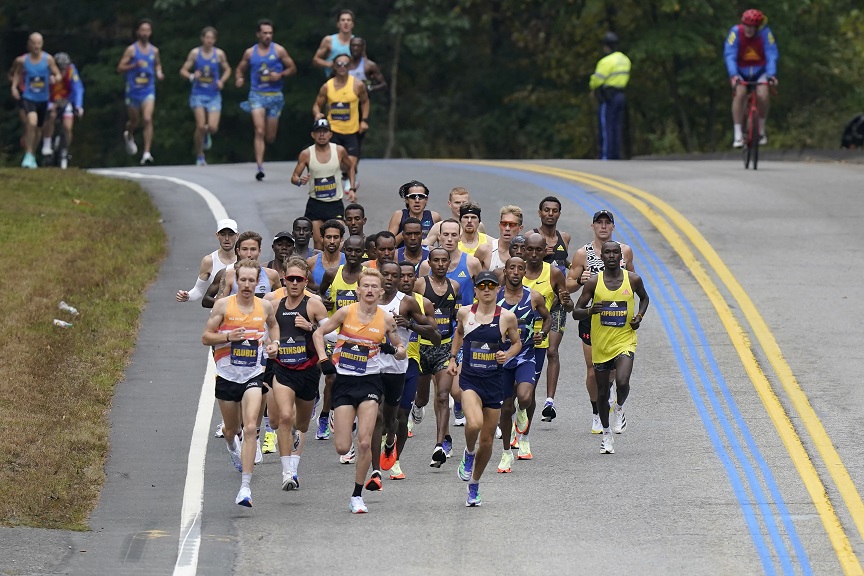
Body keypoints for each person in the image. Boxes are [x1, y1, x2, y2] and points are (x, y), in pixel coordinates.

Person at [312, 268, 406, 513]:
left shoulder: (385, 319)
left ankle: (357, 495)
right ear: (358, 290)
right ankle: (337, 417)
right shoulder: (346, 312)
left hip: (371, 382)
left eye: (375, 287)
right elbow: (319, 333)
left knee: (364, 443)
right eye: (366, 286)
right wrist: (323, 359)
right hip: (344, 380)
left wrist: (397, 350)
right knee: (343, 447)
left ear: (381, 291)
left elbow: (399, 346)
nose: (371, 290)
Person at [202, 258, 279, 507]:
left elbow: (273, 326)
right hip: (226, 376)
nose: (246, 284)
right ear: (236, 280)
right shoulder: (224, 306)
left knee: (249, 428)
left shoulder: (264, 307)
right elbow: (205, 337)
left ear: (258, 282)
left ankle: (245, 488)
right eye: (242, 279)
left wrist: (274, 343)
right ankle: (230, 444)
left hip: (253, 375)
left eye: (251, 280)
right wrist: (227, 336)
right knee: (231, 429)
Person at [448, 271, 521, 506]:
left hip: (494, 383)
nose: (487, 290)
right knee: (475, 423)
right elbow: (459, 334)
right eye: (482, 286)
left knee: (488, 441)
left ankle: (475, 485)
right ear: (476, 290)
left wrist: (507, 354)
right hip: (470, 380)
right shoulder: (465, 313)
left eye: (491, 285)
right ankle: (468, 453)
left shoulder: (507, 317)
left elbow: (517, 343)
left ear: (498, 289)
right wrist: (452, 359)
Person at [571, 241, 649, 454]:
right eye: (608, 253)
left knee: (623, 381)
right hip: (601, 344)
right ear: (602, 257)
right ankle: (606, 435)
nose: (612, 256)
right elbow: (576, 312)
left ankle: (620, 407)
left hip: (625, 339)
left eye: (616, 252)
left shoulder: (632, 279)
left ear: (621, 257)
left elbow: (645, 298)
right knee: (602, 393)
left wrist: (639, 316)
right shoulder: (594, 283)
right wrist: (590, 311)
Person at [366, 261, 437, 490]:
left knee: (398, 419)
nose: (389, 279)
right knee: (376, 418)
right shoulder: (369, 300)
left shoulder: (406, 303)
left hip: (401, 369)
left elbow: (435, 335)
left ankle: (393, 455)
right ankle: (376, 470)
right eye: (384, 274)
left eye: (393, 275)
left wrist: (411, 324)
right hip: (374, 368)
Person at [566, 209, 636, 433]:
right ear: (593, 226)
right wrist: (579, 279)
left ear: (613, 227)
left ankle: (613, 402)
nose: (603, 226)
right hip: (592, 317)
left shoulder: (624, 251)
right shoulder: (582, 254)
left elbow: (634, 282)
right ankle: (596, 412)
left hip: (617, 318)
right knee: (592, 370)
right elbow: (567, 285)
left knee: (615, 368)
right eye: (599, 223)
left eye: (608, 223)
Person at [269, 257, 330, 491]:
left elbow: (332, 334)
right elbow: (264, 333)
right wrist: (271, 345)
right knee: (284, 417)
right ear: (283, 279)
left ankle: (295, 441)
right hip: (282, 368)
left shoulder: (314, 305)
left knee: (302, 425)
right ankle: (288, 472)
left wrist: (312, 328)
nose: (294, 283)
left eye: (299, 279)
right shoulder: (274, 306)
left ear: (306, 281)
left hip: (308, 370)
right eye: (290, 279)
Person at [517, 233, 571, 458]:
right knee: (508, 394)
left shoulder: (554, 273)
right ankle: (512, 429)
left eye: (539, 250)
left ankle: (524, 437)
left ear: (545, 251)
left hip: (537, 341)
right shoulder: (515, 271)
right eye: (529, 249)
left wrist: (567, 302)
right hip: (511, 340)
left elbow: (567, 307)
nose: (533, 254)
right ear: (524, 250)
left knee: (527, 394)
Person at [495, 257, 549, 473]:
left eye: (520, 268)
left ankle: (523, 416)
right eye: (512, 268)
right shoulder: (495, 296)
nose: (516, 272)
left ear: (525, 271)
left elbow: (548, 318)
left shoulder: (533, 296)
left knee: (525, 397)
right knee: (505, 407)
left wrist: (542, 333)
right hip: (501, 359)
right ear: (505, 272)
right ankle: (506, 452)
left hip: (526, 354)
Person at [316, 235, 366, 444]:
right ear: (345, 251)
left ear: (363, 253)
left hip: (361, 336)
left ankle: (349, 417)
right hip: (336, 336)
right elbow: (320, 295)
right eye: (350, 251)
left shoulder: (368, 277)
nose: (353, 255)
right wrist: (325, 303)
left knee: (356, 379)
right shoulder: (332, 274)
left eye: (357, 251)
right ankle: (326, 415)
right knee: (332, 378)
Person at [414, 247, 461, 467]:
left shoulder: (455, 287)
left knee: (443, 396)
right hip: (421, 348)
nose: (441, 264)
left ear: (449, 262)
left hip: (444, 348)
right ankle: (416, 406)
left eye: (444, 261)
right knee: (422, 398)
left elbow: (456, 319)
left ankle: (439, 446)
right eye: (436, 261)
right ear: (429, 263)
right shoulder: (420, 285)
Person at [392, 261, 439, 478]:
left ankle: (395, 460)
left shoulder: (422, 303)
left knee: (402, 415)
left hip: (411, 362)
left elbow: (435, 336)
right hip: (382, 364)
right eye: (402, 276)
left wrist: (410, 325)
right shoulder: (381, 299)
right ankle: (382, 448)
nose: (406, 280)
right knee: (384, 417)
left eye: (411, 276)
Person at [235, 19, 297, 181]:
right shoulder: (250, 53)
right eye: (265, 33)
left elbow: (292, 68)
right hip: (256, 95)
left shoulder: (279, 51)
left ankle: (263, 153)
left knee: (270, 136)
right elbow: (240, 69)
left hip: (275, 96)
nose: (268, 36)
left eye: (270, 33)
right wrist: (239, 79)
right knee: (259, 130)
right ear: (258, 34)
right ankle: (260, 167)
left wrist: (281, 75)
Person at [532, 197, 572, 421]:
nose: (550, 214)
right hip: (535, 304)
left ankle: (550, 402)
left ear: (559, 214)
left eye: (554, 211)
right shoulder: (533, 236)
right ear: (539, 213)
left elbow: (565, 266)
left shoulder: (564, 238)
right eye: (546, 210)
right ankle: (528, 394)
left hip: (556, 305)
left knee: (552, 351)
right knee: (533, 351)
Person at [291, 118, 355, 249]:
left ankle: (337, 268)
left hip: (335, 203)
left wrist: (352, 188)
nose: (321, 135)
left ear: (330, 134)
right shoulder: (306, 154)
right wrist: (299, 181)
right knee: (318, 243)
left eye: (324, 131)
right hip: (316, 204)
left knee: (337, 242)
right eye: (318, 131)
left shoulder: (339, 150)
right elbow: (294, 177)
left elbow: (351, 166)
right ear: (313, 134)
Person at [313, 53, 369, 193]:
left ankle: (351, 181)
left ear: (350, 66)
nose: (342, 67)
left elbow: (365, 102)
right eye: (339, 64)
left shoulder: (357, 84)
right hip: (333, 130)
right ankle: (345, 177)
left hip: (352, 130)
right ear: (334, 66)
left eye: (345, 64)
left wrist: (364, 120)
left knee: (351, 163)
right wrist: (317, 114)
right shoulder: (327, 86)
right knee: (338, 162)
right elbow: (317, 104)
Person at [724, 9, 779, 148]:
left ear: (758, 27)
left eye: (753, 27)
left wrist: (771, 75)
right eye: (747, 25)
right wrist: (733, 76)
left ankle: (760, 128)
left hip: (760, 70)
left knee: (764, 95)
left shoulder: (766, 34)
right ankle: (737, 134)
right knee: (740, 93)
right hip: (740, 71)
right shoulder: (735, 32)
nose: (749, 29)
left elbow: (771, 54)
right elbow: (730, 54)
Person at [180, 26, 231, 166]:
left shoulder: (219, 54)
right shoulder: (195, 53)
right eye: (207, 37)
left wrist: (222, 81)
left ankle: (207, 134)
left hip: (214, 94)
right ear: (202, 38)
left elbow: (227, 69)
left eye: (212, 38)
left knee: (213, 128)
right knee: (201, 126)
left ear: (215, 40)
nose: (209, 40)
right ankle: (200, 155)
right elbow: (183, 70)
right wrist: (192, 75)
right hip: (198, 94)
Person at [117, 19, 164, 166]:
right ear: (138, 32)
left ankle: (146, 153)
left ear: (150, 32)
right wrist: (133, 65)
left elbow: (157, 65)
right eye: (142, 30)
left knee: (148, 119)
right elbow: (120, 68)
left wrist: (159, 73)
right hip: (133, 91)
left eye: (147, 30)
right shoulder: (131, 50)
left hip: (148, 90)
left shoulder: (154, 51)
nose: (145, 33)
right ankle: (129, 133)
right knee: (134, 121)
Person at [11, 33, 61, 168]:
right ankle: (28, 154)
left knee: (39, 128)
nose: (36, 46)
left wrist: (54, 78)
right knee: (31, 122)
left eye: (39, 43)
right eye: (34, 43)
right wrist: (14, 87)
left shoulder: (48, 59)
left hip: (43, 98)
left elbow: (58, 74)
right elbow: (17, 74)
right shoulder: (23, 60)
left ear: (42, 44)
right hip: (29, 97)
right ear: (29, 44)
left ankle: (32, 154)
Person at [589, 32, 630, 161]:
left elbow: (597, 80)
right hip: (621, 94)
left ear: (606, 46)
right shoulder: (625, 60)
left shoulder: (606, 62)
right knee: (617, 126)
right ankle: (616, 154)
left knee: (606, 127)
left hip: (608, 97)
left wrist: (592, 87)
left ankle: (606, 155)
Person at [177, 218, 238, 303]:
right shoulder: (209, 261)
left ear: (237, 236)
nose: (227, 238)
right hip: (219, 313)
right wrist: (187, 296)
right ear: (217, 235)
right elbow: (198, 290)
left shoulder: (244, 259)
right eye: (223, 234)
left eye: (231, 234)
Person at [43, 51, 84, 169]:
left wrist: (78, 106)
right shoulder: (48, 72)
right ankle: (47, 143)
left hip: (66, 101)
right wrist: (48, 105)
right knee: (51, 116)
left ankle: (64, 151)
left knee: (67, 127)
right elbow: (43, 91)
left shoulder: (71, 71)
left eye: (64, 68)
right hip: (51, 100)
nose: (62, 71)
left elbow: (78, 89)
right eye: (60, 68)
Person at [388, 180, 440, 246]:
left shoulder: (434, 217)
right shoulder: (399, 215)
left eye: (421, 197)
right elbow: (388, 244)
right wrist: (404, 233)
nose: (417, 201)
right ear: (407, 200)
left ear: (426, 200)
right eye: (413, 197)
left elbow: (442, 242)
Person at [307, 219, 346, 293]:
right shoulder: (311, 262)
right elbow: (303, 286)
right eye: (328, 237)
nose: (332, 241)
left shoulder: (347, 262)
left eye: (336, 237)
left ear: (341, 239)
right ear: (322, 238)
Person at [312, 9, 355, 76]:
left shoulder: (356, 42)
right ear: (338, 24)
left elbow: (363, 62)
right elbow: (315, 60)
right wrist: (329, 64)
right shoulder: (329, 40)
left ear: (352, 24)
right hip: (332, 79)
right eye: (343, 20)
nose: (346, 23)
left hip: (351, 81)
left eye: (348, 20)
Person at [457, 202, 494, 269]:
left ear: (479, 221)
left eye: (473, 217)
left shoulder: (490, 242)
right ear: (460, 220)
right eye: (466, 217)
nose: (469, 221)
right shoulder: (453, 243)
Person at [489, 205, 524, 270]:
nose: (507, 228)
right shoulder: (486, 250)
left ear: (520, 228)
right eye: (504, 224)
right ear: (499, 225)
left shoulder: (527, 253)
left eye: (512, 225)